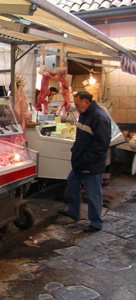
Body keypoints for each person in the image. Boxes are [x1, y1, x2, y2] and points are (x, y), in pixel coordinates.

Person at [59, 91, 111, 232]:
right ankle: (74, 212)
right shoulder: (84, 114)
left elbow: (102, 145)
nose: (76, 107)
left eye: (77, 104)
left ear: (86, 102)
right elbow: (81, 137)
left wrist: (87, 159)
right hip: (80, 162)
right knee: (72, 182)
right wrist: (75, 151)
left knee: (93, 193)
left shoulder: (99, 118)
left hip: (91, 164)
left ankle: (96, 223)